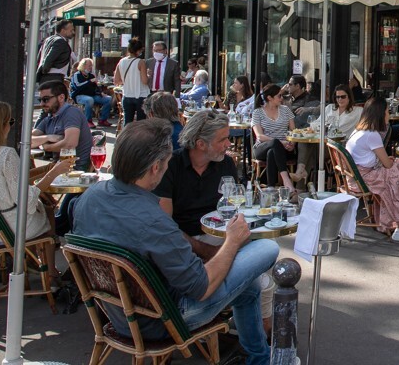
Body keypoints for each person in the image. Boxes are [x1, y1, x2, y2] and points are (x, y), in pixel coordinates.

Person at [74, 119, 278, 365]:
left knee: (251, 286)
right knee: (267, 248)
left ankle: (260, 358)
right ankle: (262, 357)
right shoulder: (154, 222)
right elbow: (201, 287)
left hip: (116, 311)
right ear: (155, 167)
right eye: (166, 163)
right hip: (165, 318)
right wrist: (232, 243)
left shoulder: (88, 198)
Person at [0, 101, 72, 281]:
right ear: (1, 126)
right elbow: (25, 200)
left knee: (42, 207)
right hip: (6, 229)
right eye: (10, 122)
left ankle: (36, 266)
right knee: (46, 210)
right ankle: (51, 274)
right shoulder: (5, 155)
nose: (10, 126)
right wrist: (53, 173)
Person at [155, 111, 239, 260]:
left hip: (219, 233)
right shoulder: (170, 166)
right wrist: (207, 250)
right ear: (201, 144)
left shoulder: (226, 164)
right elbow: (164, 224)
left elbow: (236, 207)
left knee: (265, 244)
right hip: (181, 240)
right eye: (223, 140)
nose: (229, 144)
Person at [346, 98, 399, 242]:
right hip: (365, 178)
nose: (389, 115)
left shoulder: (359, 130)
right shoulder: (372, 135)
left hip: (357, 175)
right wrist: (391, 161)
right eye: (387, 112)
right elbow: (387, 165)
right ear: (380, 114)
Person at [33, 80, 93, 172]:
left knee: (28, 184)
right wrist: (48, 137)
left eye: (45, 99)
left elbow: (70, 143)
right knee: (23, 179)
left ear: (61, 97)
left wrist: (47, 147)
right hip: (57, 167)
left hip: (74, 170)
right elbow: (28, 140)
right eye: (40, 100)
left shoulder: (71, 113)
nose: (42, 104)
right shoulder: (50, 117)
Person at [251, 84, 298, 190]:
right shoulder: (257, 112)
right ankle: (286, 180)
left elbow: (293, 130)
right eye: (279, 96)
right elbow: (260, 136)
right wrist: (281, 142)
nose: (282, 98)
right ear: (270, 98)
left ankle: (271, 187)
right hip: (262, 147)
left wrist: (292, 143)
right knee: (275, 143)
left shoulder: (285, 110)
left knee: (272, 151)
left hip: (283, 149)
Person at [114, 37, 150, 125]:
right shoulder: (141, 62)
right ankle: (139, 138)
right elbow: (145, 81)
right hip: (140, 95)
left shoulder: (121, 61)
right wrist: (148, 75)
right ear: (138, 51)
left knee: (127, 122)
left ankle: (127, 138)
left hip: (127, 95)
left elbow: (117, 81)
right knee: (141, 123)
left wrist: (129, 80)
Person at [70, 58, 113, 128]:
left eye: (91, 66)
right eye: (89, 65)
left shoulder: (91, 75)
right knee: (89, 100)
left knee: (108, 99)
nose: (90, 67)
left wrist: (100, 93)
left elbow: (96, 87)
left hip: (91, 95)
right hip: (79, 95)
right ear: (83, 66)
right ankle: (88, 121)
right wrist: (89, 81)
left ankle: (103, 119)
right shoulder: (77, 75)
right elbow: (77, 86)